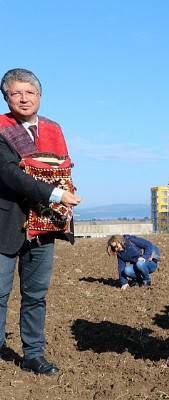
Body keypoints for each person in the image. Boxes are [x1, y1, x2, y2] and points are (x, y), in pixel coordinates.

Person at [0, 68, 81, 375]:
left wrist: (65, 197)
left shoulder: (53, 129)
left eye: (29, 92)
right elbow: (10, 174)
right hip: (6, 222)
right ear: (6, 98)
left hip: (45, 225)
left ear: (39, 97)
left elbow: (63, 169)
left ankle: (33, 354)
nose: (23, 98)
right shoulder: (1, 130)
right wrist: (56, 195)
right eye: (15, 93)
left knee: (35, 295)